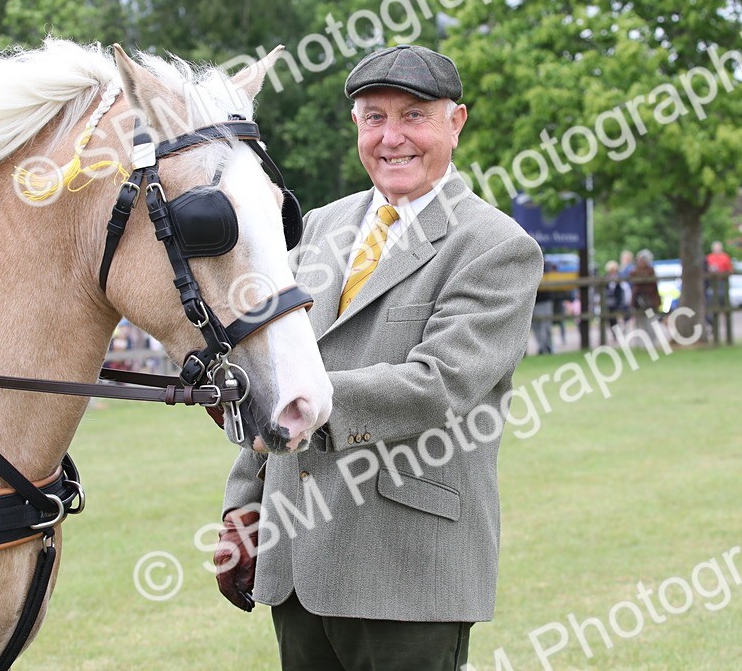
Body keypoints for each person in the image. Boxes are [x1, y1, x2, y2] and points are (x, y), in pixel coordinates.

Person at [213, 44, 543, 671]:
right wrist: (242, 506)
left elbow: (437, 386)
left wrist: (300, 402)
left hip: (407, 569)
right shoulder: (318, 226)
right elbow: (278, 370)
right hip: (294, 561)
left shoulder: (497, 247)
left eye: (414, 115)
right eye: (374, 118)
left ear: (456, 122)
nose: (392, 137)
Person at [533, 260, 556, 354]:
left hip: (544, 300)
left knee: (546, 326)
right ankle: (542, 347)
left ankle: (548, 347)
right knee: (536, 326)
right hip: (533, 301)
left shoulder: (546, 264)